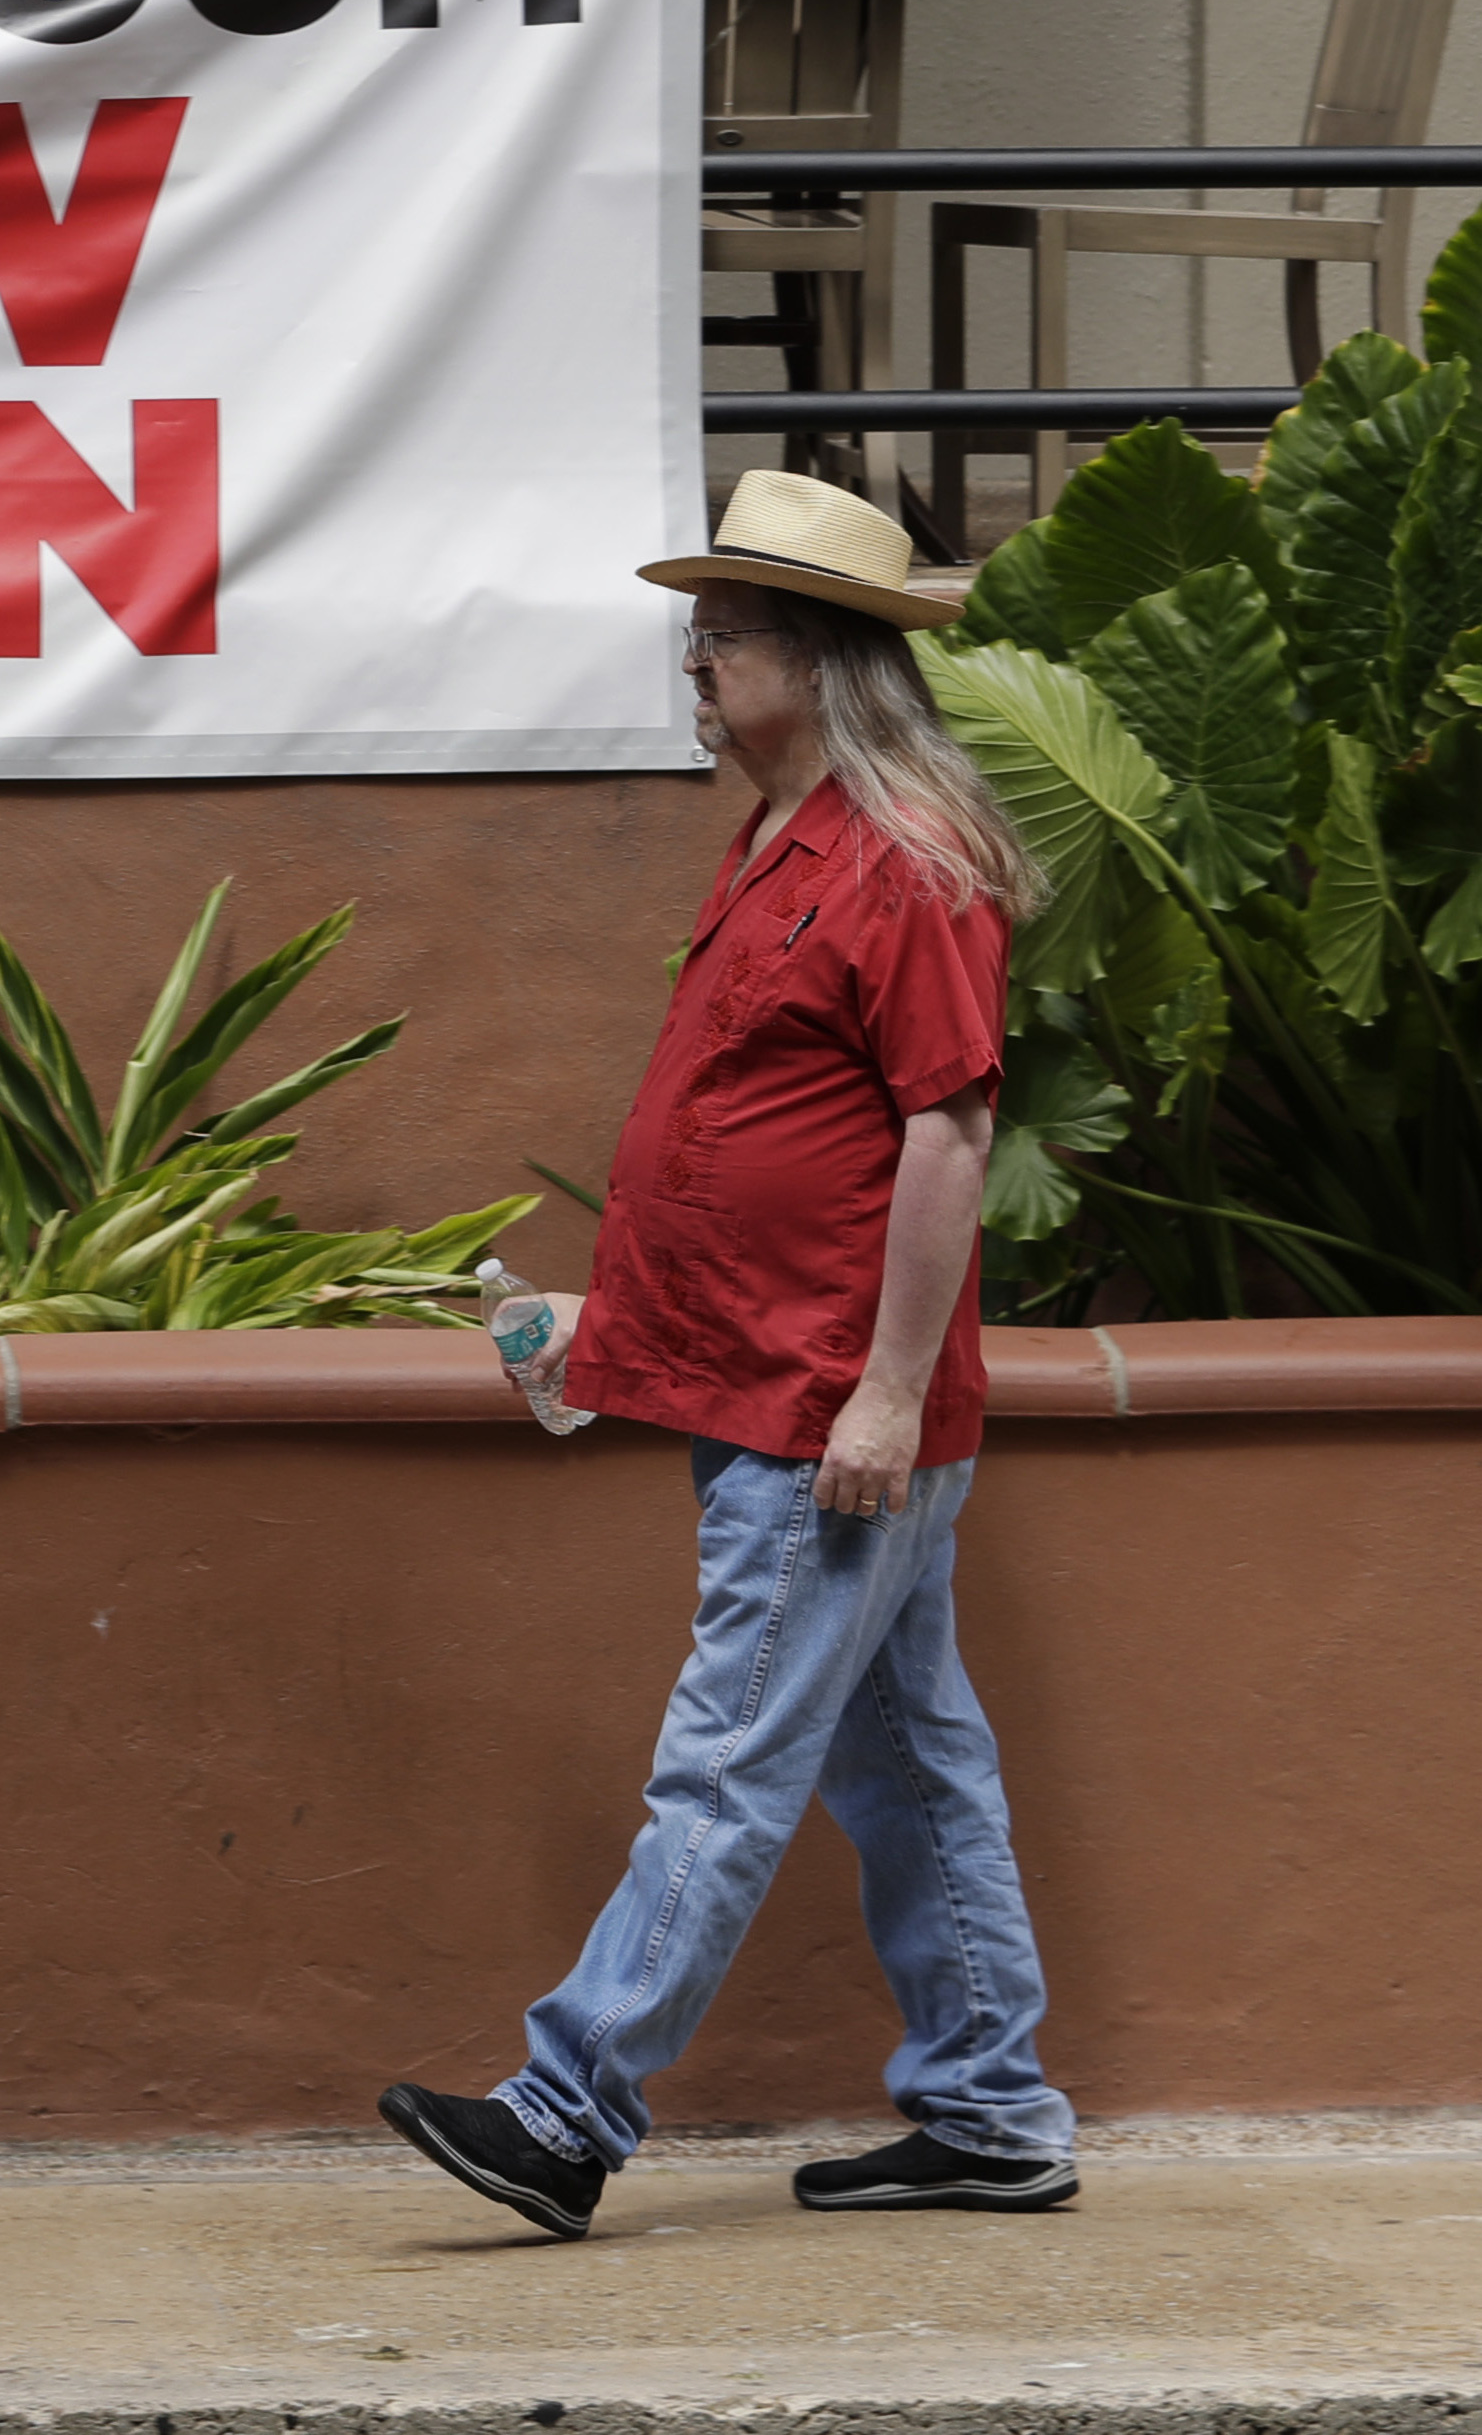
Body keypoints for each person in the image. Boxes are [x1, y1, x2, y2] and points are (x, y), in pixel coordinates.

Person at [376, 473, 1080, 2237]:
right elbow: (761, 1146)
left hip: (824, 1411)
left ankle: (563, 2112)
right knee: (907, 1761)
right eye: (696, 631)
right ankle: (993, 2111)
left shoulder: (904, 866)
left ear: (823, 658)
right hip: (772, 1382)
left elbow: (942, 1144)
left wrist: (889, 1398)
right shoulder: (788, 838)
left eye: (728, 633)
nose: (695, 661)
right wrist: (608, 1325)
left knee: (728, 1758)